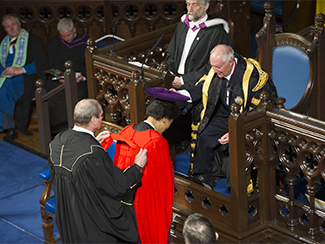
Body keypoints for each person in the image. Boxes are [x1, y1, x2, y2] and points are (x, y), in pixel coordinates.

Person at [175, 44, 278, 188]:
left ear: (230, 62)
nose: (215, 70)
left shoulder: (252, 77)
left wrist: (236, 131)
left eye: (218, 67)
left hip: (246, 119)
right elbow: (203, 87)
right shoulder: (216, 71)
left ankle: (236, 189)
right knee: (205, 135)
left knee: (237, 143)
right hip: (225, 114)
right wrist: (180, 95)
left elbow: (261, 110)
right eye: (213, 66)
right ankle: (203, 176)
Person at [48, 98, 148, 243]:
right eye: (101, 116)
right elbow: (116, 187)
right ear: (93, 120)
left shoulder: (58, 140)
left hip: (66, 212)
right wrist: (137, 166)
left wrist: (95, 143)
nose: (102, 119)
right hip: (88, 220)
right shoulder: (92, 153)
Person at [165, 0, 231, 155]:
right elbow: (171, 53)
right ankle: (173, 140)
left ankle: (183, 140)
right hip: (175, 78)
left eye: (195, 4)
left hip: (198, 82)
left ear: (206, 5)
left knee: (174, 103)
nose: (190, 9)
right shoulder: (182, 25)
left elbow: (213, 67)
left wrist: (184, 80)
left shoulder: (216, 32)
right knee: (158, 102)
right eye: (188, 4)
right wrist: (171, 74)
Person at [111, 98, 179, 244]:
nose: (167, 128)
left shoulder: (126, 131)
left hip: (122, 196)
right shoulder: (156, 142)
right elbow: (163, 182)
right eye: (170, 124)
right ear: (165, 120)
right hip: (144, 201)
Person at [0, 13, 48, 140]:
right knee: (4, 85)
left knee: (4, 89)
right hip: (5, 77)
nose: (11, 29)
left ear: (19, 24)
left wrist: (20, 70)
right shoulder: (2, 44)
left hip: (25, 76)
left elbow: (42, 62)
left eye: (14, 25)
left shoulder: (33, 39)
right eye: (7, 27)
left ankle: (10, 127)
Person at [46, 18, 89, 135]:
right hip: (61, 79)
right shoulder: (54, 43)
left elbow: (90, 63)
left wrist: (83, 76)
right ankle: (57, 132)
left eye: (68, 35)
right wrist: (59, 77)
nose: (66, 39)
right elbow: (52, 64)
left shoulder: (86, 42)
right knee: (52, 97)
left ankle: (75, 131)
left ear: (74, 29)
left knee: (77, 97)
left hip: (80, 80)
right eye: (63, 36)